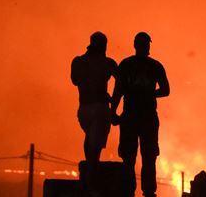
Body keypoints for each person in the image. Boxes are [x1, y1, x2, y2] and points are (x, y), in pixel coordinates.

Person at [111, 32, 170, 197]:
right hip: (148, 118)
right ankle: (149, 192)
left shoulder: (125, 65)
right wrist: (150, 94)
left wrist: (113, 113)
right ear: (147, 46)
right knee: (149, 157)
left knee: (129, 157)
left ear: (135, 45)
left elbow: (118, 91)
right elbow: (165, 90)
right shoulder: (155, 66)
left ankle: (128, 191)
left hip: (130, 116)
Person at [71, 31, 118, 192]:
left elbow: (75, 80)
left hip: (83, 109)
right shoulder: (107, 63)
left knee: (89, 140)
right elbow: (122, 81)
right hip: (100, 109)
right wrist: (113, 103)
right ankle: (90, 186)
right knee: (94, 149)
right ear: (104, 45)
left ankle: (89, 179)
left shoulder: (78, 62)